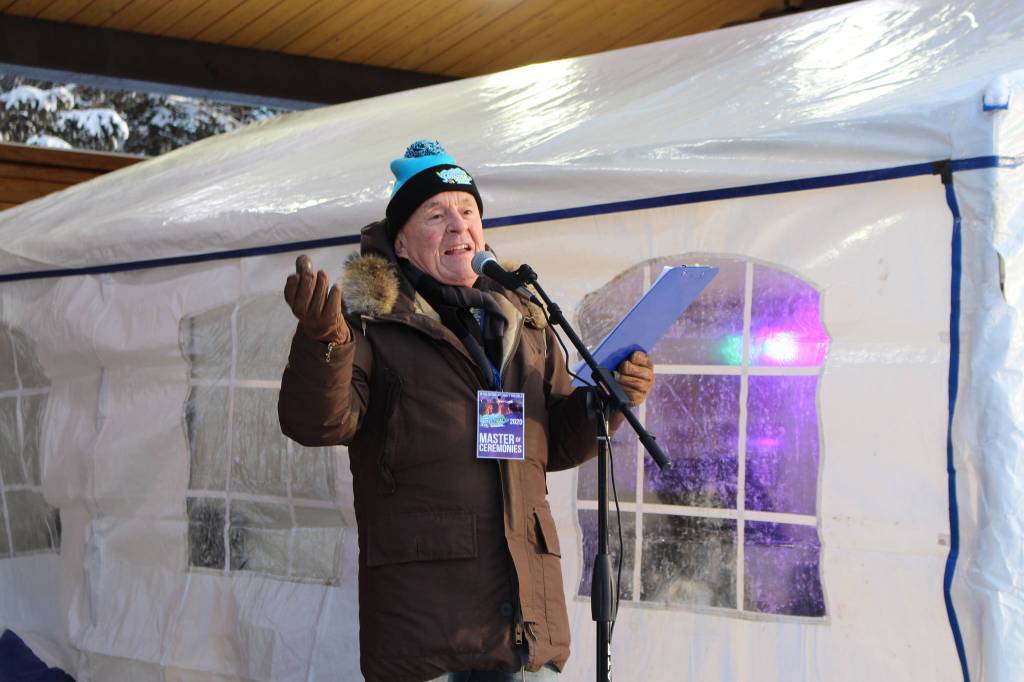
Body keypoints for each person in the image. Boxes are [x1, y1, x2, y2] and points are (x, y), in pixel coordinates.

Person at [278, 141, 654, 682]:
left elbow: (554, 444)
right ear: (402, 246)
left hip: (525, 625)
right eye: (436, 215)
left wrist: (609, 398)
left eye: (468, 211)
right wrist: (323, 341)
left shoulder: (525, 318)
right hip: (430, 631)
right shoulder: (369, 324)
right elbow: (317, 422)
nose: (459, 227)